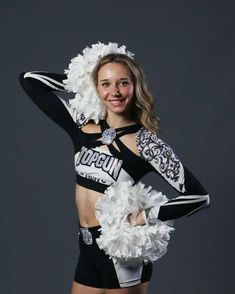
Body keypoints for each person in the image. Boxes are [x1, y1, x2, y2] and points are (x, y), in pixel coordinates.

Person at [19, 42, 210, 294]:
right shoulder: (82, 125)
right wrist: (82, 82)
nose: (115, 92)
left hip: (121, 249)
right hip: (86, 248)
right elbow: (29, 81)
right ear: (96, 87)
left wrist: (145, 216)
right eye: (105, 83)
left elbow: (199, 197)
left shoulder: (146, 143)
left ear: (135, 86)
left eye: (123, 82)